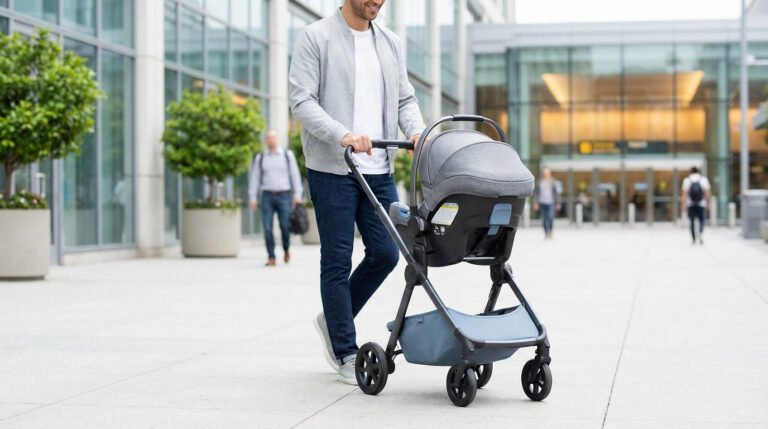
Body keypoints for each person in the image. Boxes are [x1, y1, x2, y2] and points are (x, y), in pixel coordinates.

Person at [289, 0, 425, 384]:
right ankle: (345, 350)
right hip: (333, 167)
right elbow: (302, 101)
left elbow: (405, 99)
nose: (377, 1)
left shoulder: (390, 43)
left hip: (379, 168)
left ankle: (334, 318)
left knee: (385, 253)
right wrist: (342, 134)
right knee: (337, 260)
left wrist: (415, 130)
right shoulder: (315, 37)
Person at [248, 130, 303, 266]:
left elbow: (295, 175)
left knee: (285, 226)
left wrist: (298, 194)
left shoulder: (287, 155)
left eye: (273, 137)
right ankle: (271, 256)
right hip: (267, 196)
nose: (271, 140)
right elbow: (255, 178)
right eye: (269, 138)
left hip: (284, 195)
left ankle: (286, 248)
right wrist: (253, 197)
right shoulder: (261, 157)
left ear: (277, 139)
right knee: (267, 228)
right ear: (266, 141)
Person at [681, 166, 711, 244]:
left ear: (690, 172)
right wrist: (708, 203)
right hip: (701, 203)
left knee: (692, 221)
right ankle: (700, 231)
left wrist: (684, 205)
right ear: (698, 172)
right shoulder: (703, 179)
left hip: (690, 204)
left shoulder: (687, 180)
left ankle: (694, 238)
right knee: (702, 219)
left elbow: (684, 194)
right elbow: (707, 193)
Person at [533, 167, 561, 239]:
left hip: (551, 203)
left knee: (550, 216)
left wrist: (558, 203)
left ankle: (550, 231)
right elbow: (536, 194)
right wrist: (536, 203)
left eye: (547, 173)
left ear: (549, 173)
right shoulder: (539, 182)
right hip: (542, 203)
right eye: (544, 173)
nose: (545, 174)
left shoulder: (553, 182)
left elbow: (556, 193)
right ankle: (546, 233)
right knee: (543, 218)